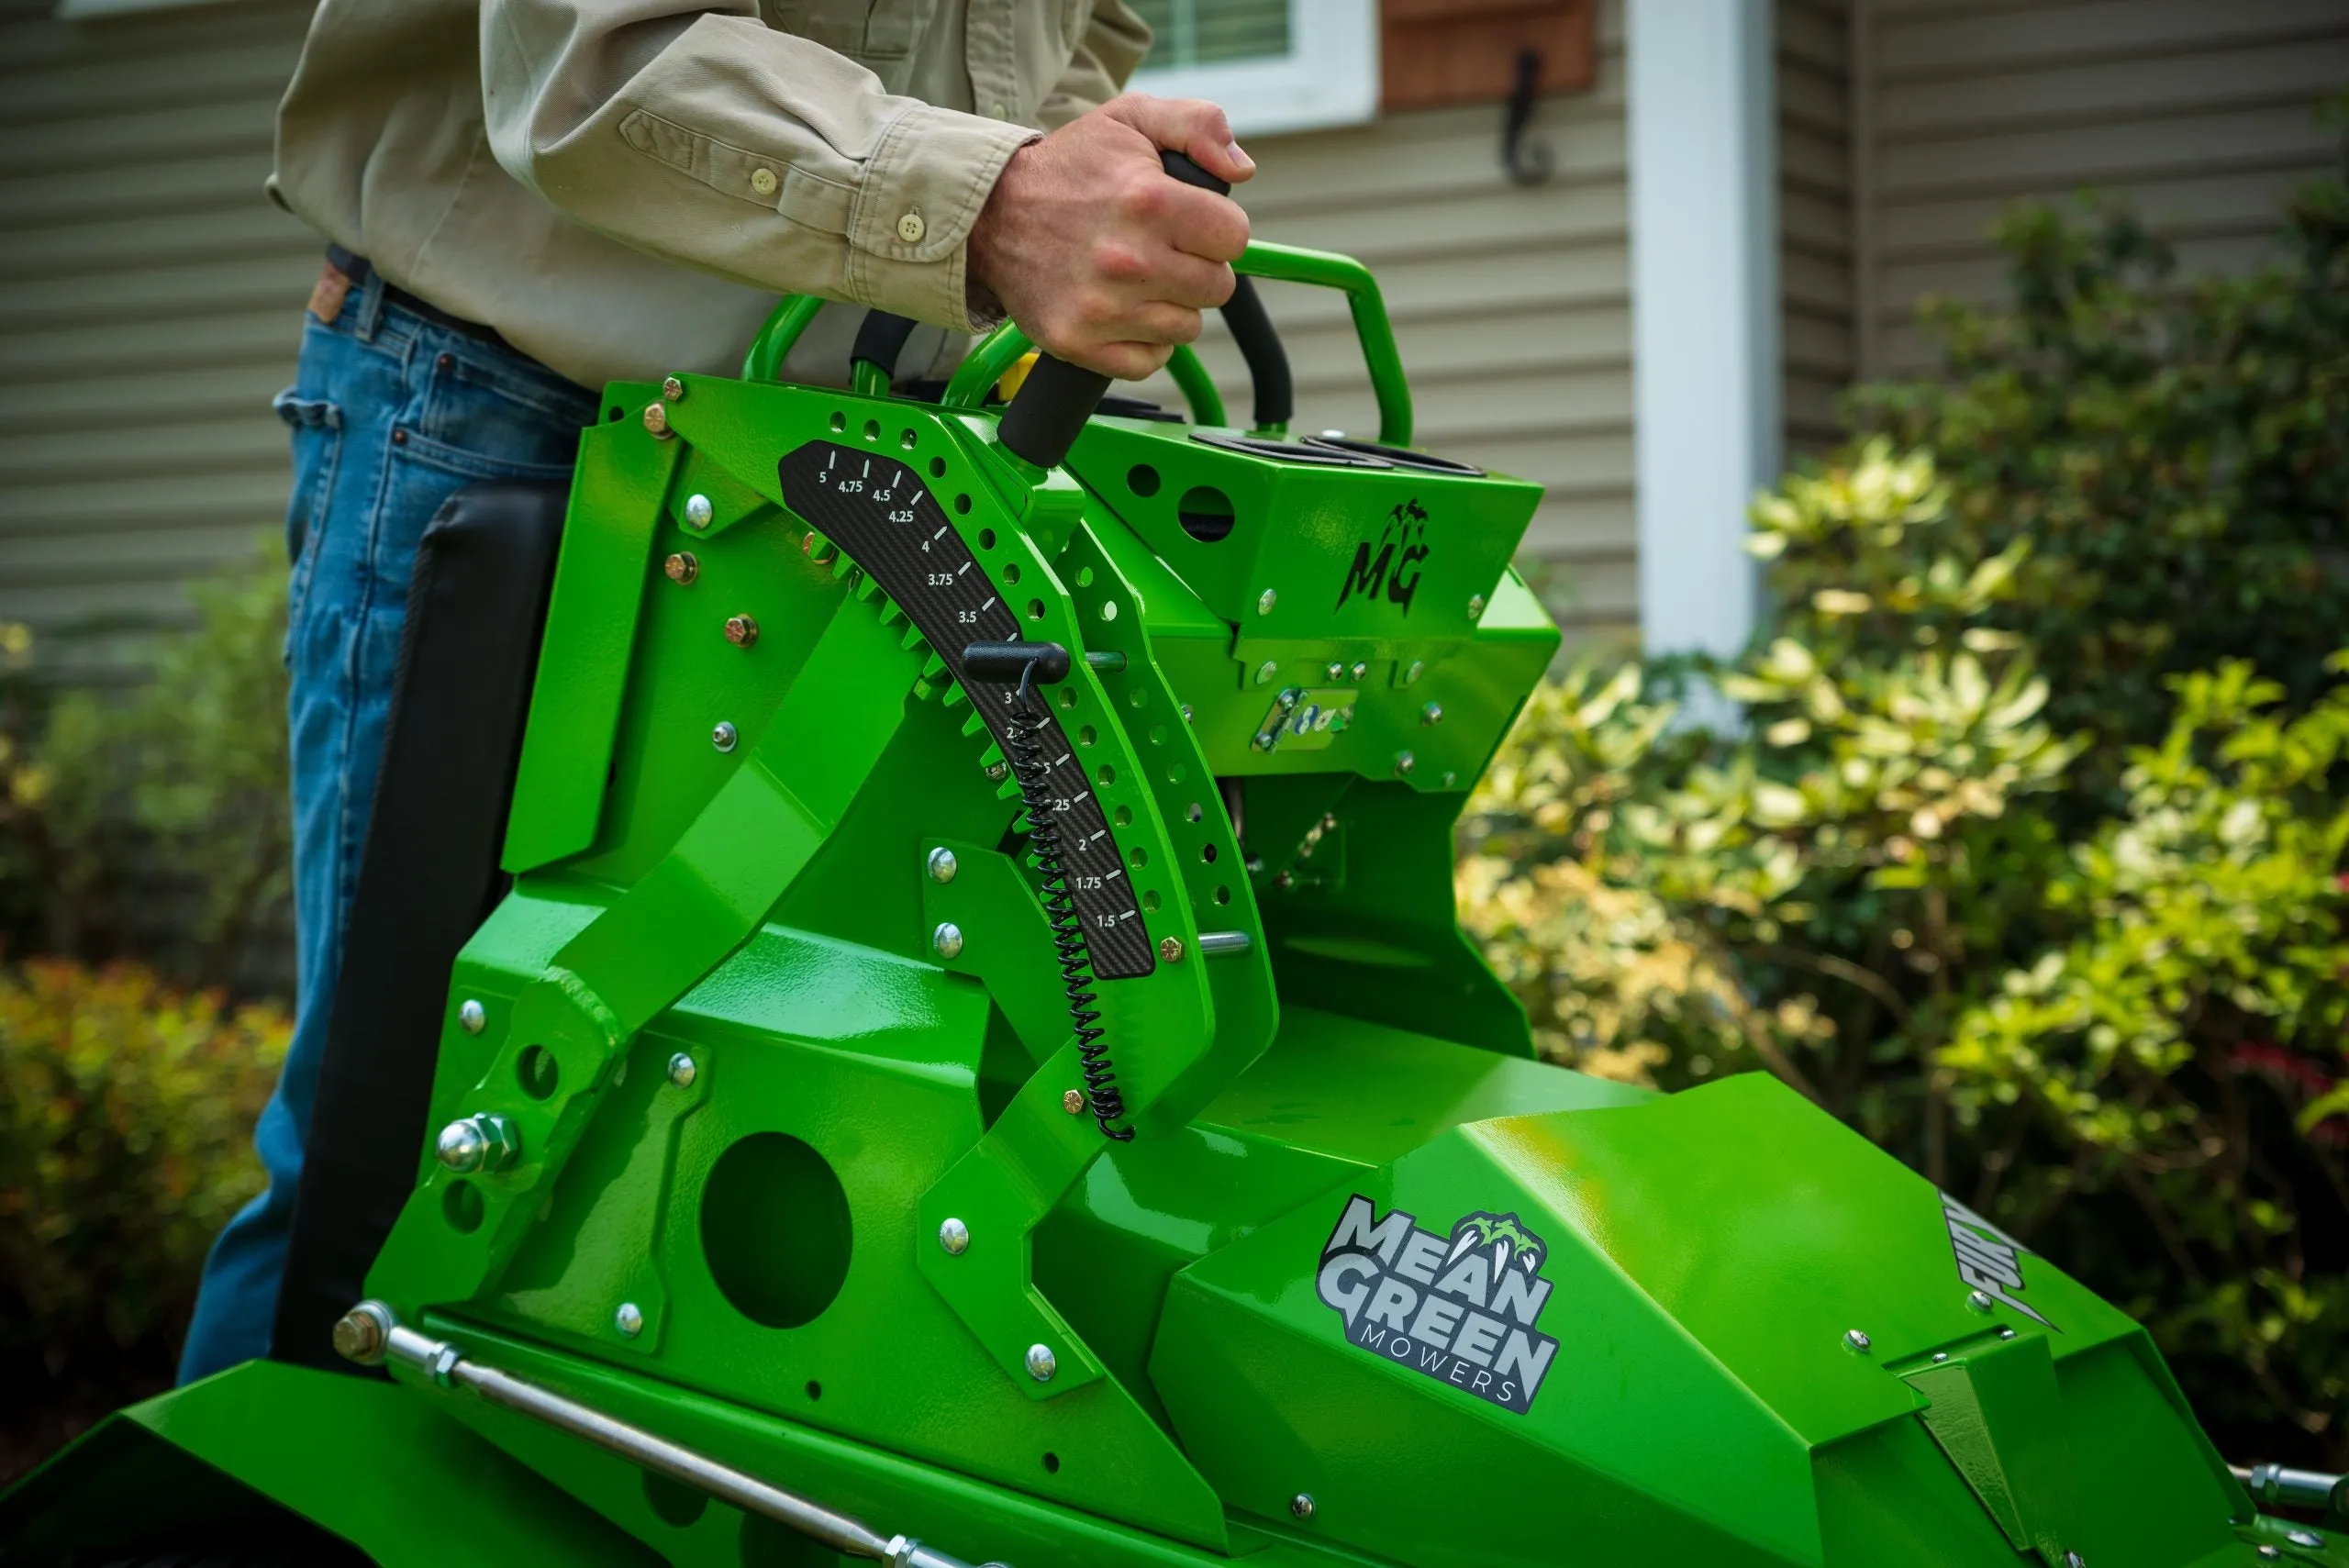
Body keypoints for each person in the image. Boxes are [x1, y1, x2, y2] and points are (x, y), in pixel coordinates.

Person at [177, 0, 1254, 1384]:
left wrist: (1054, 185)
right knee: (387, 1159)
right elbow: (584, 60)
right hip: (510, 406)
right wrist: (989, 205)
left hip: (841, 461)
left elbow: (1091, 21)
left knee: (691, 1133)